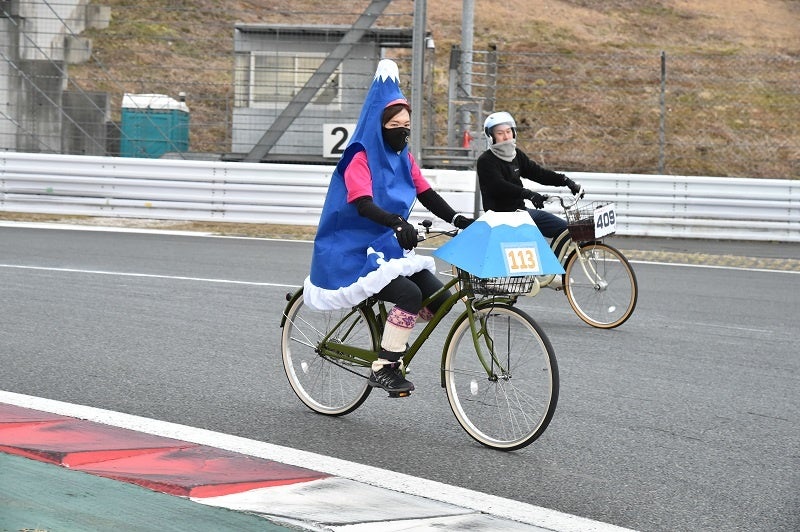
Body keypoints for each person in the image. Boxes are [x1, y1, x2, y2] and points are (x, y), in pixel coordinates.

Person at [304, 59, 473, 394]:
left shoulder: (403, 156)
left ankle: (394, 334)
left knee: (441, 297)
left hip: (386, 244)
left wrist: (458, 219)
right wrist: (397, 221)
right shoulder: (359, 155)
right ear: (377, 124)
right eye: (394, 123)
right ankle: (384, 366)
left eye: (406, 123)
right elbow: (362, 203)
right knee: (410, 295)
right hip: (350, 249)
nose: (402, 130)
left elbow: (425, 192)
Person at [476, 111, 583, 253]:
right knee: (536, 249)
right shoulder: (485, 161)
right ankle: (543, 270)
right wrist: (529, 194)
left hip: (521, 212)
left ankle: (550, 272)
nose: (506, 136)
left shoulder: (516, 155)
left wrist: (566, 181)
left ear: (514, 132)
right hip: (501, 217)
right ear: (491, 136)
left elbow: (538, 173)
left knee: (566, 230)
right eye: (500, 133)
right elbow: (499, 186)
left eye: (508, 131)